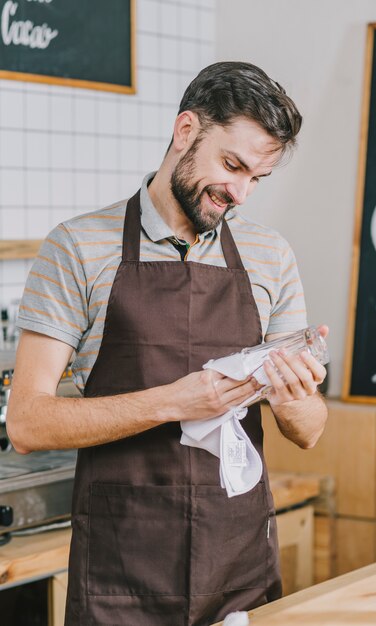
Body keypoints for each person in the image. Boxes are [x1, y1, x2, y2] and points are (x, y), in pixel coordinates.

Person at [7, 61, 328, 626]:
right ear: (185, 131)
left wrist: (295, 392)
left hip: (238, 565)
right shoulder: (78, 248)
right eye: (232, 165)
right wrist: (175, 402)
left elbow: (307, 432)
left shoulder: (270, 256)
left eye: (257, 178)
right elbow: (29, 423)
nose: (241, 193)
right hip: (120, 573)